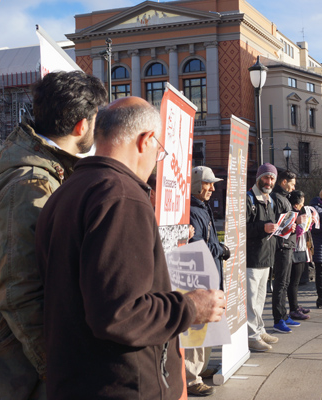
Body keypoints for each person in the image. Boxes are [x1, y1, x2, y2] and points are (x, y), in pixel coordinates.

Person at [35, 97, 226, 399]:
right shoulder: (122, 195)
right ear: (146, 140)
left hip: (78, 377)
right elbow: (120, 313)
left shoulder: (69, 188)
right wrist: (191, 307)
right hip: (124, 383)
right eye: (159, 150)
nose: (156, 158)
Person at [0, 70, 107, 399]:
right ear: (81, 125)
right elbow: (19, 290)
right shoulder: (30, 181)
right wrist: (55, 366)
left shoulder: (42, 169)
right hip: (23, 370)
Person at [185, 166, 225, 397]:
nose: (212, 188)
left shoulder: (200, 206)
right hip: (199, 276)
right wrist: (220, 249)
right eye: (208, 184)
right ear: (196, 185)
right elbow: (197, 244)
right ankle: (191, 377)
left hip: (208, 274)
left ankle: (199, 368)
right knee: (197, 329)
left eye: (212, 183)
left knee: (206, 327)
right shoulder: (193, 209)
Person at [246, 163, 279, 351]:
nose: (269, 181)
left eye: (272, 178)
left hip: (265, 256)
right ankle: (251, 336)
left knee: (259, 299)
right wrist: (262, 227)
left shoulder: (269, 199)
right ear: (258, 178)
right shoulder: (249, 198)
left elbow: (270, 226)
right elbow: (240, 227)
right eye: (266, 177)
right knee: (251, 301)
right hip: (252, 258)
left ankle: (259, 330)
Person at [270, 170, 301, 334]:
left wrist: (293, 225)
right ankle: (278, 319)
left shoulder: (284, 198)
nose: (293, 187)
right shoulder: (277, 198)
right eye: (292, 183)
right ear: (284, 182)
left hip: (288, 243)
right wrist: (290, 226)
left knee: (285, 282)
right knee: (280, 284)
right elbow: (276, 223)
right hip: (282, 245)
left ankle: (284, 314)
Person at [287, 190, 311, 320]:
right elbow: (291, 231)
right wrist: (298, 223)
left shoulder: (300, 212)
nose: (303, 205)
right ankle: (293, 308)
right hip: (294, 249)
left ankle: (296, 305)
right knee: (293, 281)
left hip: (301, 248)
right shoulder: (291, 213)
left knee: (297, 279)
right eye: (301, 202)